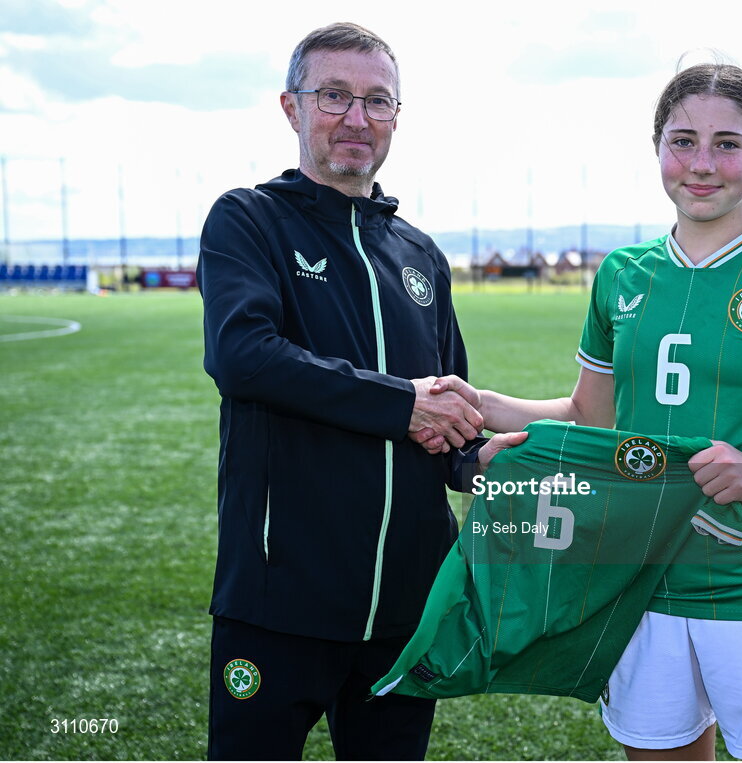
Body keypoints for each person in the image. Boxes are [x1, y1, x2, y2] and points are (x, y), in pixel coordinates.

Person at [433, 61, 742, 760]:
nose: (703, 164)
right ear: (657, 148)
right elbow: (593, 419)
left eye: (727, 143)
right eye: (683, 141)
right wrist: (494, 406)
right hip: (640, 580)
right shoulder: (623, 274)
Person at [197, 21, 519, 761]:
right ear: (292, 107)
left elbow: (451, 412)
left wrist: (479, 462)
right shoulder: (249, 220)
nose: (356, 118)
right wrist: (402, 403)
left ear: (396, 118)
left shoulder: (419, 253)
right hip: (280, 599)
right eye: (334, 95)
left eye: (378, 101)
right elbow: (244, 357)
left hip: (406, 612)